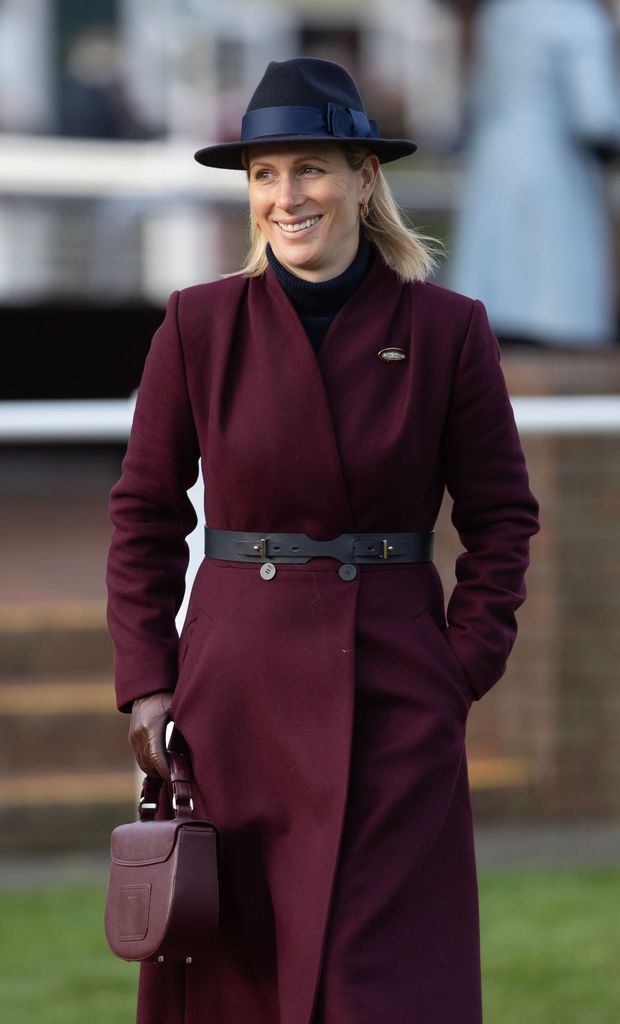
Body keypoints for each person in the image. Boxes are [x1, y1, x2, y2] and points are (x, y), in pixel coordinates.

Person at [106, 57, 539, 1024]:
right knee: (242, 981)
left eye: (309, 169)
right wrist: (147, 676)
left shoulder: (448, 331)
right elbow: (143, 513)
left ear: (363, 177)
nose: (285, 196)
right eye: (264, 174)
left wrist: (459, 665)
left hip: (395, 697)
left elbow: (502, 517)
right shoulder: (198, 325)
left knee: (380, 984)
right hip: (235, 704)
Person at [449, 0, 620, 348]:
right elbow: (594, 113)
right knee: (554, 288)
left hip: (493, 159)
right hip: (556, 166)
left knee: (497, 281)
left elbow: (480, 95)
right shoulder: (578, 19)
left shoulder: (501, 15)